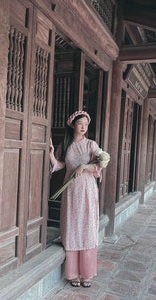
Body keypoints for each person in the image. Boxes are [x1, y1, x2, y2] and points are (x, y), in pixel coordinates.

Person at [49, 110, 103, 288]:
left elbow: (101, 163)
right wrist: (50, 154)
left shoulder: (91, 145)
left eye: (86, 125)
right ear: (72, 125)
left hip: (87, 191)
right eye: (80, 124)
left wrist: (85, 166)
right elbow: (59, 165)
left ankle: (87, 274)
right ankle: (72, 274)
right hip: (71, 192)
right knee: (72, 228)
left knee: (87, 228)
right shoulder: (65, 145)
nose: (83, 128)